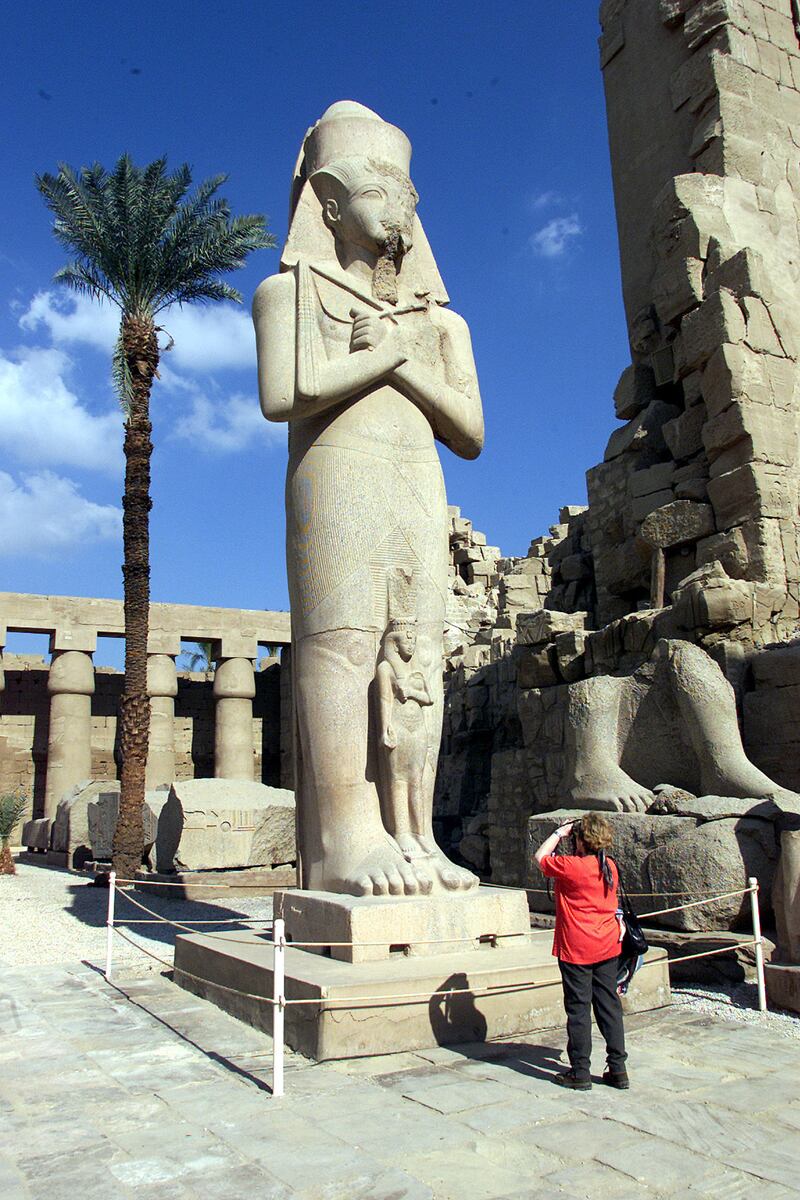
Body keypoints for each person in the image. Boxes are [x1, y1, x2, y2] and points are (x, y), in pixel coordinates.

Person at [534, 813, 629, 1091]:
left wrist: (558, 834)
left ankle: (580, 1071)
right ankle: (618, 1068)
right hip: (607, 944)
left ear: (581, 839)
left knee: (578, 1009)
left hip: (577, 946)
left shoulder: (572, 866)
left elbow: (539, 858)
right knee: (609, 1006)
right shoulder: (609, 865)